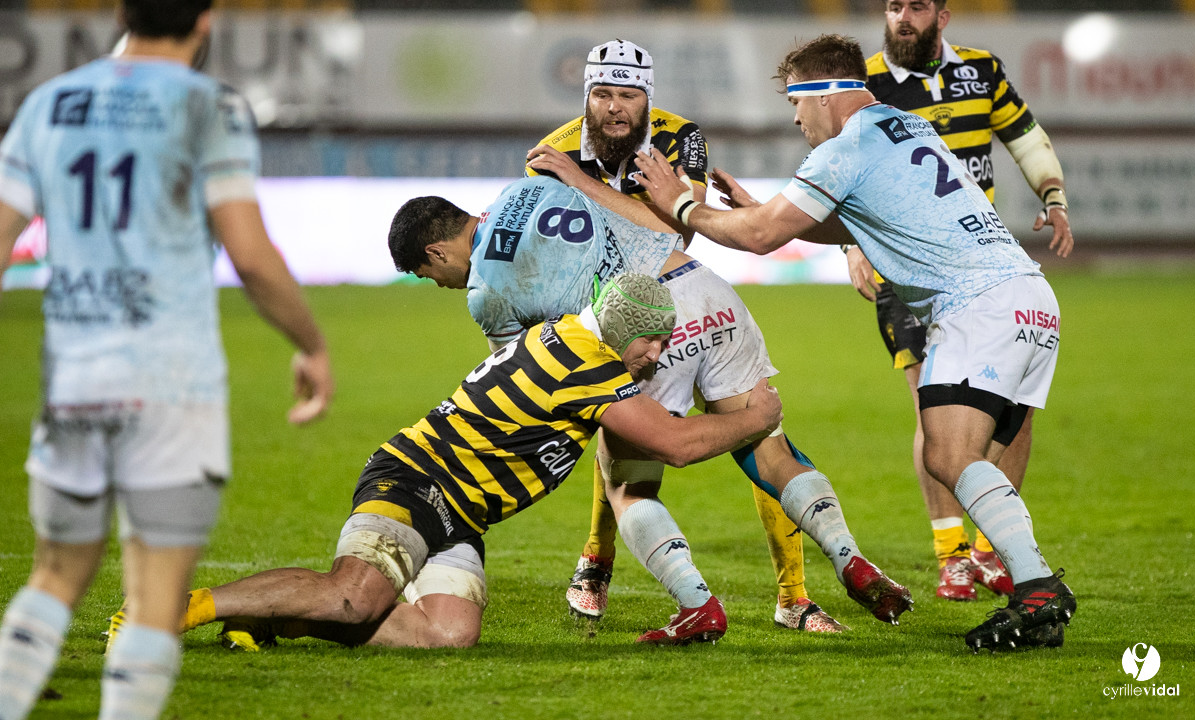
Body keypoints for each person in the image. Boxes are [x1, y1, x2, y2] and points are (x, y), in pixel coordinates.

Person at [634, 34, 1076, 652]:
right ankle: (1035, 594)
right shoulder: (906, 126)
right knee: (970, 459)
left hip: (980, 308)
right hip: (1032, 302)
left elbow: (761, 238)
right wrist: (772, 211)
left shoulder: (848, 145)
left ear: (827, 94)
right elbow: (859, 217)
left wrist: (682, 205)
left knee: (947, 457)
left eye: (796, 102)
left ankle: (1036, 588)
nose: (795, 118)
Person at [0, 0, 333, 720]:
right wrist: (310, 344)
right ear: (206, 20)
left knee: (54, 576)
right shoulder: (206, 107)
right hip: (171, 387)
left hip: (74, 379)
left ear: (119, 10)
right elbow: (249, 255)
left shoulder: (50, 103)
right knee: (155, 595)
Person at [389, 176, 912, 636]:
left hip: (636, 327)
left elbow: (538, 369)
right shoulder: (526, 190)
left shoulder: (485, 293)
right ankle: (852, 559)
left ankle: (696, 604)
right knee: (770, 453)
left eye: (426, 273)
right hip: (703, 288)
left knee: (627, 486)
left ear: (437, 251)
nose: (437, 283)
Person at [171, 273, 783, 650]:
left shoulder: (569, 336)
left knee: (447, 635)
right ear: (628, 332)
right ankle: (185, 607)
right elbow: (673, 445)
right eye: (655, 341)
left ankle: (274, 618)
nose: (658, 356)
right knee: (353, 600)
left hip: (460, 512)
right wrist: (755, 419)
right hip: (418, 480)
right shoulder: (588, 367)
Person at [524, 39, 843, 633]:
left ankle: (793, 596)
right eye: (602, 94)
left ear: (648, 98)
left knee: (758, 431)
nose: (615, 108)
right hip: (611, 309)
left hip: (690, 295)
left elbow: (675, 235)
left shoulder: (680, 137)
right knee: (623, 436)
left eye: (628, 95)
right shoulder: (552, 152)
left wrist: (584, 185)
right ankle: (597, 562)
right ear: (586, 95)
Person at [851, 0, 1074, 603]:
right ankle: (951, 551)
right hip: (910, 271)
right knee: (932, 399)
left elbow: (1024, 136)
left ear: (941, 17)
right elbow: (840, 169)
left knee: (1016, 411)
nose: (904, 17)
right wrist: (853, 249)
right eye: (895, 5)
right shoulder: (865, 84)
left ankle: (991, 551)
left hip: (987, 267)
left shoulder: (981, 70)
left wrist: (1053, 196)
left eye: (918, 6)